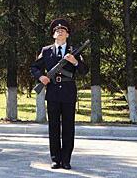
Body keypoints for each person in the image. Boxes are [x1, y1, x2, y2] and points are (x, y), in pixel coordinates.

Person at [31, 18, 89, 170]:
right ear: (53, 35)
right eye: (57, 31)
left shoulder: (74, 51)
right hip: (53, 93)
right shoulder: (46, 51)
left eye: (63, 30)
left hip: (69, 92)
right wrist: (41, 77)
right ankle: (56, 159)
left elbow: (84, 71)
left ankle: (66, 160)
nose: (60, 31)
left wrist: (75, 62)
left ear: (67, 35)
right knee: (54, 127)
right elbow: (34, 68)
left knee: (68, 128)